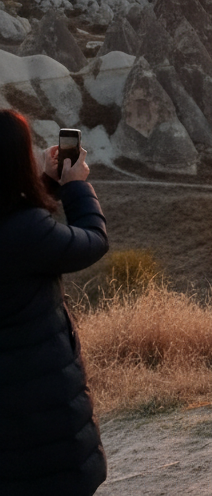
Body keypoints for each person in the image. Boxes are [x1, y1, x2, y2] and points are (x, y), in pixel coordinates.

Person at [0, 111, 108, 496]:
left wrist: (47, 181)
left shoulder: (18, 226)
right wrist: (76, 186)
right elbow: (92, 241)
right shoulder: (25, 231)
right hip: (40, 409)